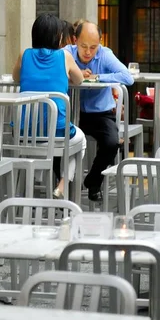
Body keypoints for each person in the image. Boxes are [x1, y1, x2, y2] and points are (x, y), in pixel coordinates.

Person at [12, 13, 86, 199]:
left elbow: (15, 78)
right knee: (81, 140)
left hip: (24, 133)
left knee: (40, 145)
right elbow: (80, 79)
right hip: (57, 132)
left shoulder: (25, 54)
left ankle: (37, 182)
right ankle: (62, 185)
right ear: (58, 37)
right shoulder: (65, 56)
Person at [65, 21, 134, 201]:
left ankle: (93, 181)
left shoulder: (105, 54)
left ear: (100, 43)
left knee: (112, 143)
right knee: (58, 142)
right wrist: (77, 73)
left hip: (100, 114)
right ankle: (63, 187)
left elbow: (127, 77)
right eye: (83, 46)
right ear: (75, 40)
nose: (88, 52)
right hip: (73, 113)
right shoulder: (67, 53)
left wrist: (98, 77)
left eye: (93, 47)